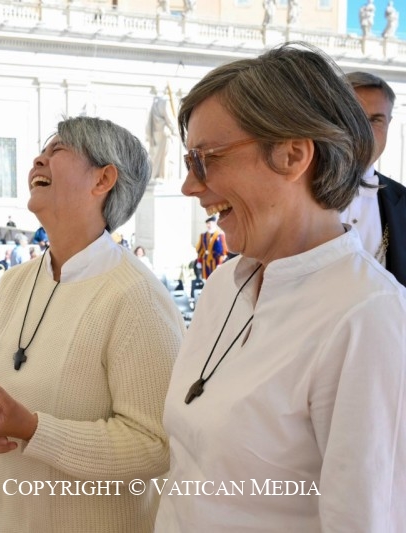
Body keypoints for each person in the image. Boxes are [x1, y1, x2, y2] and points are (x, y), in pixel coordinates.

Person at [156, 43, 406, 531]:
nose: (189, 185)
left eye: (205, 159)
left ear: (292, 155)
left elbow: (365, 520)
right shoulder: (224, 286)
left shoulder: (368, 317)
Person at [0, 116, 185, 532]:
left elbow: (156, 446)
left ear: (103, 179)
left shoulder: (136, 297)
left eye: (57, 151)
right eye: (43, 150)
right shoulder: (14, 283)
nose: (38, 159)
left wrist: (34, 430)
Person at [342, 72, 406, 287]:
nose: (365, 131)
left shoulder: (403, 202)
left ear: (389, 123)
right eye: (354, 118)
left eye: (376, 120)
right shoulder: (291, 192)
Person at [195, 215, 227, 279]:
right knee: (207, 279)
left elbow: (224, 251)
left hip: (216, 261)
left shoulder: (220, 235)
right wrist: (199, 261)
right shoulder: (203, 236)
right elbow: (200, 250)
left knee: (217, 279)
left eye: (210, 223)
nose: (208, 226)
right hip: (206, 261)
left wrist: (220, 263)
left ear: (214, 223)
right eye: (207, 224)